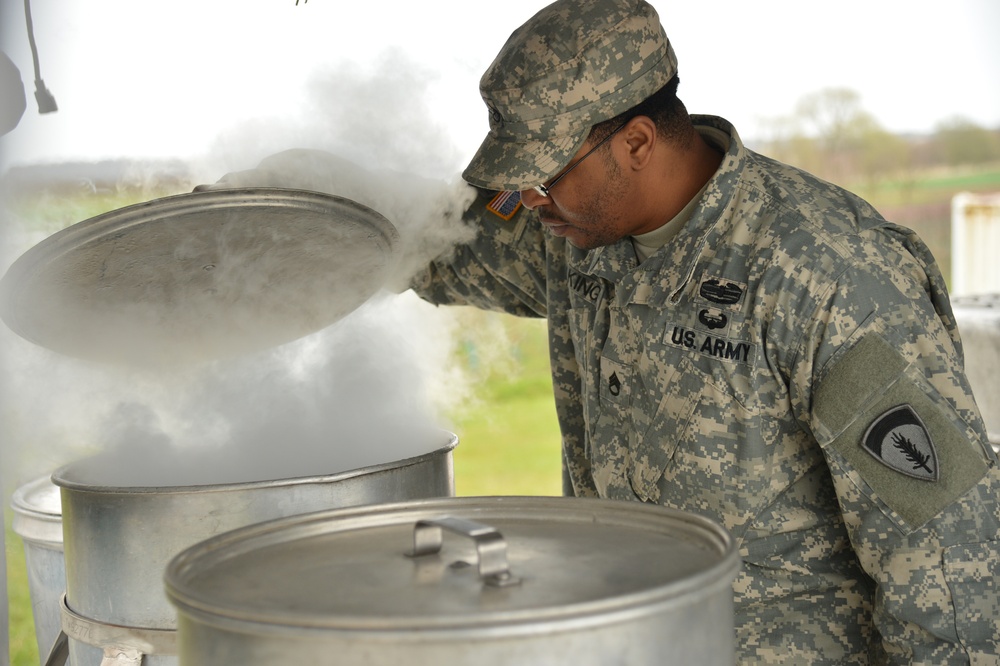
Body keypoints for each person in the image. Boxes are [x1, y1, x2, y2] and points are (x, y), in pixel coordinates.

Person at [200, 0, 997, 662]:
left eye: (543, 178)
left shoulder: (831, 277)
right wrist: (272, 211)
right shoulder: (576, 235)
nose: (529, 201)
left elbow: (952, 578)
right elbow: (428, 247)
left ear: (638, 141)